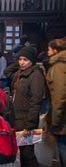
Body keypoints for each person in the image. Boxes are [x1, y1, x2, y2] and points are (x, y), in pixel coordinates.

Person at [11, 46, 46, 167]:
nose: (21, 62)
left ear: (32, 60)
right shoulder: (19, 73)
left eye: (25, 59)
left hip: (27, 120)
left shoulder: (36, 75)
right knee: (23, 153)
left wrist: (29, 126)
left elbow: (35, 102)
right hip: (18, 118)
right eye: (20, 59)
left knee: (27, 154)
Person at [46, 37, 66, 167]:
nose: (47, 52)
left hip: (63, 119)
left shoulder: (58, 67)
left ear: (54, 50)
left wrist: (55, 120)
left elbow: (60, 96)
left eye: (48, 49)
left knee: (63, 149)